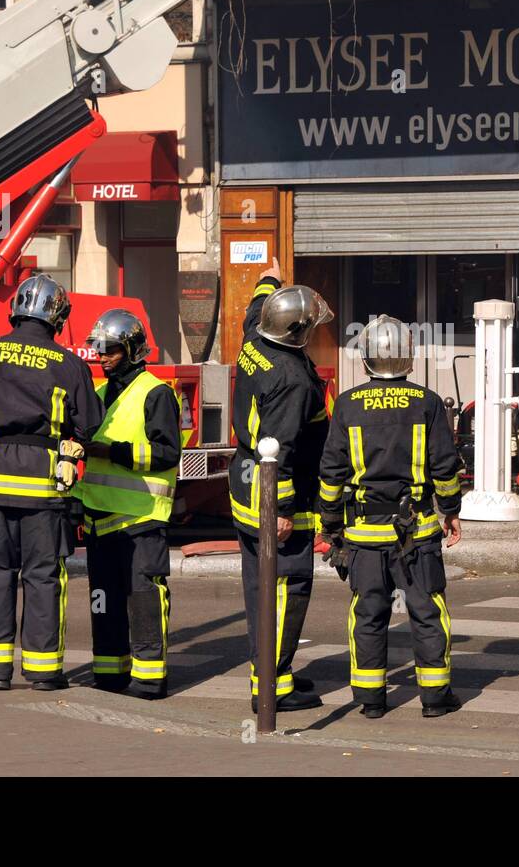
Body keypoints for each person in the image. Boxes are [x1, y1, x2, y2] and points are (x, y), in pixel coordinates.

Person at [0, 273, 101, 691]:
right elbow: (90, 424)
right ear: (57, 316)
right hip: (42, 486)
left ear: (15, 310)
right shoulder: (68, 363)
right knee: (43, 576)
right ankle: (44, 672)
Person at [317, 314, 464, 719]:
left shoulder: (347, 404)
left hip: (364, 536)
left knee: (368, 614)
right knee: (427, 611)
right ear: (409, 358)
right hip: (416, 533)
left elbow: (331, 472)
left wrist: (329, 524)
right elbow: (445, 467)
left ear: (365, 359)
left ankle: (371, 700)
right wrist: (450, 511)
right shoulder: (428, 402)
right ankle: (434, 698)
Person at [228, 257, 334, 712]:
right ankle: (272, 687)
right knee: (286, 589)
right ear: (295, 333)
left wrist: (269, 278)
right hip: (274, 496)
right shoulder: (292, 380)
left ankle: (272, 673)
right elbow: (283, 449)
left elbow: (255, 308)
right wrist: (284, 512)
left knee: (259, 587)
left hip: (245, 482)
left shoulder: (255, 336)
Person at [74, 309, 181, 699]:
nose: (102, 357)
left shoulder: (157, 393)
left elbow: (168, 454)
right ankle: (109, 671)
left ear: (134, 351)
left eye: (111, 351)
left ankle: (150, 677)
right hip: (101, 521)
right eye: (98, 350)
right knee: (104, 601)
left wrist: (111, 451)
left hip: (141, 519)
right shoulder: (98, 396)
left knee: (144, 599)